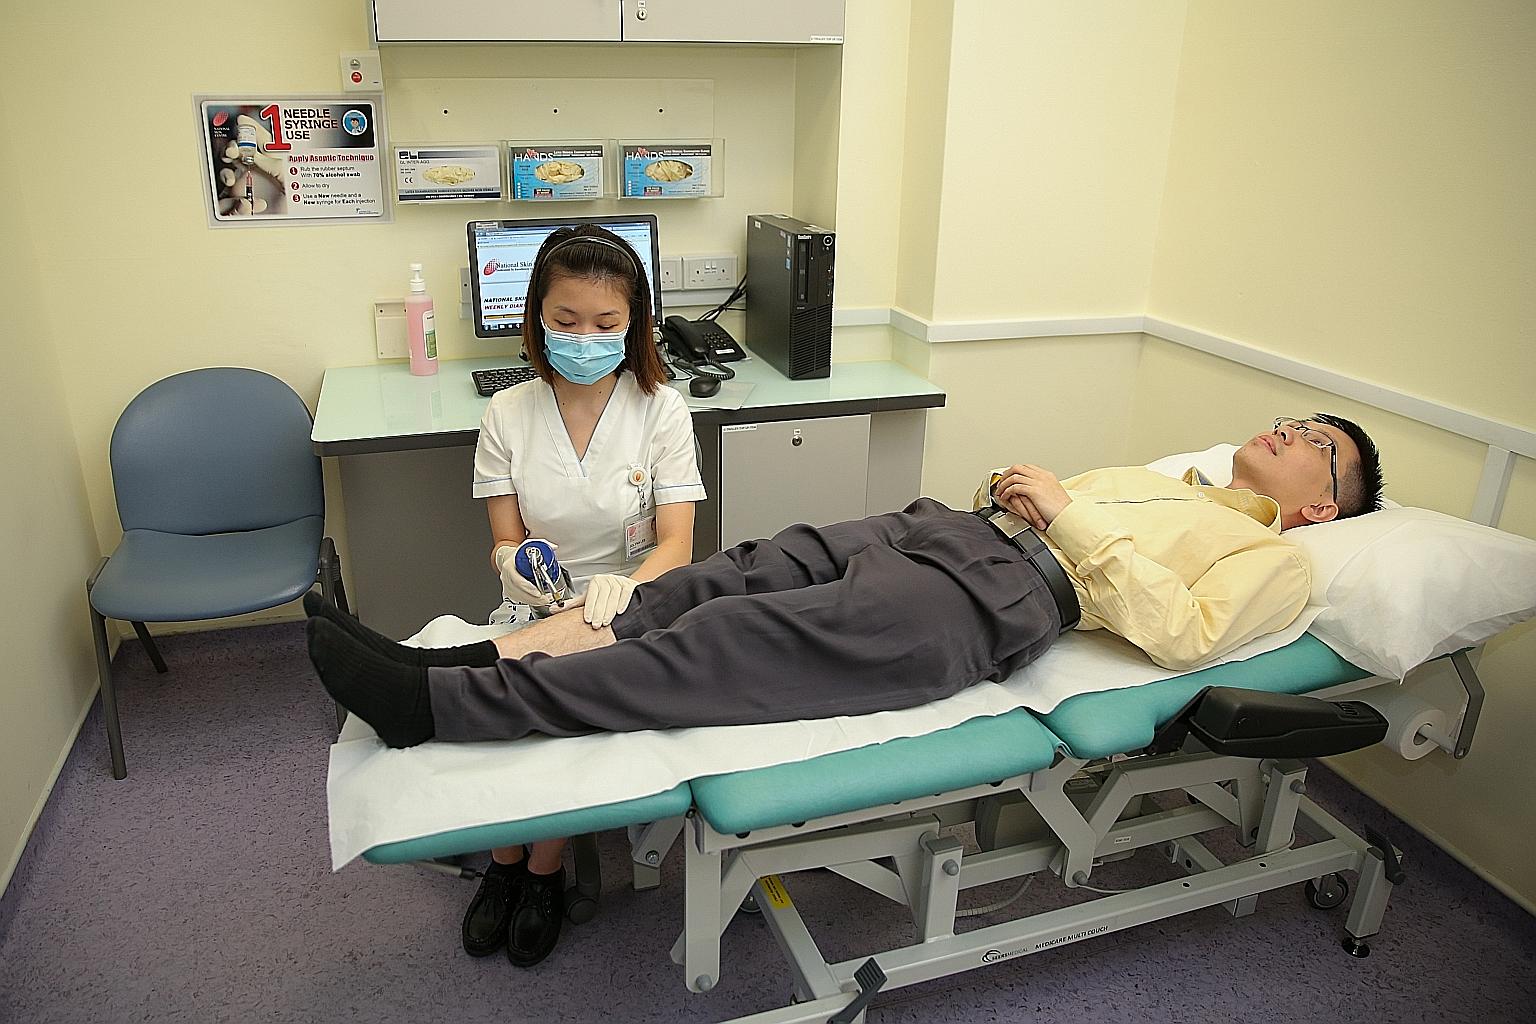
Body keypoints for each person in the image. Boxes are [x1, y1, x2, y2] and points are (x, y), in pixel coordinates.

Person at [306, 412, 1382, 796]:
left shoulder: (1274, 559)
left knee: (721, 643)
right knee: (703, 580)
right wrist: (1019, 491)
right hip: (939, 531)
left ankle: (435, 710)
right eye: (1296, 418)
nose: (1292, 429)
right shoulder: (1177, 481)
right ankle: (452, 666)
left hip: (994, 600)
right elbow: (1058, 519)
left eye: (1317, 443)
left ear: (1324, 507)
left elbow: (1181, 632)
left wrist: (1065, 516)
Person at [314, 223, 702, 968]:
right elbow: (503, 538)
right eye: (565, 321)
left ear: (635, 325)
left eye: (605, 323)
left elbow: (678, 546)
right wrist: (514, 562)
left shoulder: (661, 411)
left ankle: (542, 871)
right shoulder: (508, 414)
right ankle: (503, 858)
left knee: (552, 704)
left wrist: (628, 583)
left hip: (632, 602)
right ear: (537, 320)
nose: (584, 337)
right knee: (500, 685)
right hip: (537, 600)